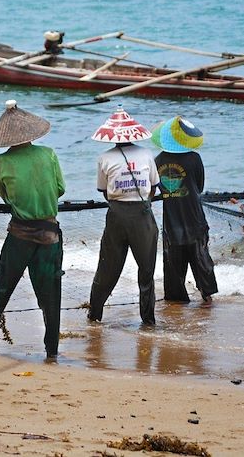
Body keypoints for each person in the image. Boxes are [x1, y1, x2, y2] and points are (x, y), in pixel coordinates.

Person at [0, 100, 65, 359]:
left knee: (0, 287)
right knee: (51, 295)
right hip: (50, 234)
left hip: (20, 234)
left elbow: (6, 197)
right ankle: (52, 350)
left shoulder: (0, 162)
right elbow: (60, 189)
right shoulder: (48, 154)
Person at [87, 105, 159, 325]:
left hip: (116, 214)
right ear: (133, 133)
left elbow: (104, 191)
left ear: (112, 137)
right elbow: (155, 186)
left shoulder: (105, 158)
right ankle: (148, 319)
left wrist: (120, 201)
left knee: (108, 266)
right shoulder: (146, 154)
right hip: (142, 215)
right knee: (146, 270)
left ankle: (95, 313)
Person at [152, 116, 218, 307]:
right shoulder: (194, 158)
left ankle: (175, 300)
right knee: (200, 258)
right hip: (194, 216)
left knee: (173, 262)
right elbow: (200, 186)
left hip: (171, 220)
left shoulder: (158, 160)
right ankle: (207, 296)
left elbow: (157, 189)